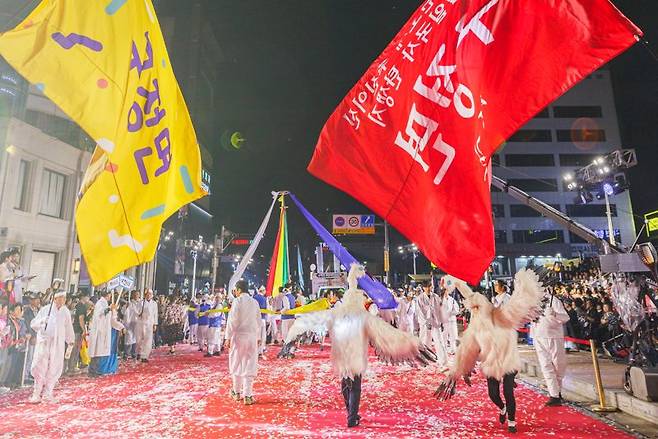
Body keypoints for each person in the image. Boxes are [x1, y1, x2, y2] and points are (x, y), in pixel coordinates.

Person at [280, 265, 436, 428]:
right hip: (355, 357)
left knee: (346, 384)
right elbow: (389, 334)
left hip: (341, 357)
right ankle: (352, 417)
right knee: (355, 387)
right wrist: (413, 344)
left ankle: (351, 413)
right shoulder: (364, 317)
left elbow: (309, 320)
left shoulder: (336, 313)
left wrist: (291, 336)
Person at [436, 269, 545, 434]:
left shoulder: (503, 316)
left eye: (478, 308)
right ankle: (503, 409)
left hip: (508, 360)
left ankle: (512, 422)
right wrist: (461, 371)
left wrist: (523, 283)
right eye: (473, 309)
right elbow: (467, 352)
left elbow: (519, 302)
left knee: (508, 392)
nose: (475, 311)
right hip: (491, 364)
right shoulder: (475, 331)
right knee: (493, 395)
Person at [28, 290, 74, 403]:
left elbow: (68, 327)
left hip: (57, 344)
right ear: (55, 298)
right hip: (44, 342)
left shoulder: (65, 311)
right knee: (40, 367)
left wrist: (70, 341)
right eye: (61, 298)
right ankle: (36, 393)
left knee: (54, 367)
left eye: (64, 298)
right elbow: (33, 324)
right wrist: (42, 321)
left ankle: (48, 393)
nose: (63, 300)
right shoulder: (45, 310)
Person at [225, 280, 262, 405]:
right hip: (251, 337)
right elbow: (259, 322)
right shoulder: (254, 302)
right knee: (249, 364)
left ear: (239, 290)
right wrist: (259, 337)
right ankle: (248, 395)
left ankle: (236, 392)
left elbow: (232, 321)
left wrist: (227, 337)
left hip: (238, 336)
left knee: (236, 363)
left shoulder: (237, 301)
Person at [531, 293, 570, 406]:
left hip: (553, 336)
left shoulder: (554, 300)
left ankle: (557, 392)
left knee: (558, 365)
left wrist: (555, 314)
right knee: (545, 366)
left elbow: (565, 317)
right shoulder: (531, 300)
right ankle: (554, 394)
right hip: (538, 336)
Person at [88, 290, 125, 375]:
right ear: (108, 295)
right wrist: (109, 308)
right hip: (98, 331)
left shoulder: (105, 304)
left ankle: (95, 370)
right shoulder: (100, 303)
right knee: (96, 351)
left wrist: (121, 326)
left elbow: (111, 319)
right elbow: (100, 313)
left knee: (99, 351)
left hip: (104, 331)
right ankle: (92, 371)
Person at [2, 303, 28, 389]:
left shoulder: (20, 321)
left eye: (20, 310)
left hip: (16, 345)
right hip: (8, 345)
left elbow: (22, 331)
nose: (18, 312)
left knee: (12, 365)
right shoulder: (8, 320)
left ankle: (9, 382)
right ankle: (3, 382)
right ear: (12, 310)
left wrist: (22, 338)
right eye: (16, 310)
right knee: (5, 364)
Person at [135, 289, 158, 363]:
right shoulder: (141, 302)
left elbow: (155, 314)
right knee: (139, 340)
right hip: (141, 323)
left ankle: (144, 356)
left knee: (148, 340)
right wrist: (139, 314)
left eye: (150, 294)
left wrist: (155, 324)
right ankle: (138, 352)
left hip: (149, 324)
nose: (149, 295)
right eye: (147, 294)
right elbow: (136, 312)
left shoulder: (154, 303)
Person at [22, 292, 41, 382]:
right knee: (28, 356)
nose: (37, 301)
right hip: (30, 337)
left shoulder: (38, 310)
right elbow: (28, 324)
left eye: (38, 299)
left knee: (34, 356)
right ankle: (25, 375)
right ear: (30, 301)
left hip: (38, 336)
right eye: (35, 299)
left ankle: (30, 373)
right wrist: (33, 336)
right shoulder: (26, 311)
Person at [442, 286, 461, 354]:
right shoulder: (440, 300)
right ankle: (444, 349)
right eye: (444, 291)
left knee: (454, 335)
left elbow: (457, 311)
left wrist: (451, 312)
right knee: (444, 336)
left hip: (452, 320)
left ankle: (454, 349)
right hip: (445, 321)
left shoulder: (452, 300)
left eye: (446, 291)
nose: (445, 292)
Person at [253, 286, 268, 358]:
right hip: (262, 319)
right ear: (263, 291)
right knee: (262, 336)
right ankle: (260, 351)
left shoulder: (254, 298)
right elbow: (267, 309)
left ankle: (254, 351)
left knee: (255, 335)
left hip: (255, 319)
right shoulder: (265, 299)